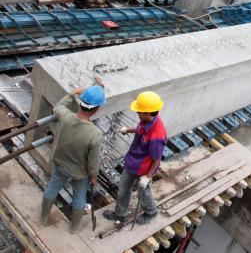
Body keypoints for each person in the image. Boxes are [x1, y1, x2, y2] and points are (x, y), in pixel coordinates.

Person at [40, 85, 106, 233]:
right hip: (79, 172)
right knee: (79, 197)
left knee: (52, 188)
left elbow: (58, 106)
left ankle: (43, 218)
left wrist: (73, 93)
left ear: (81, 103)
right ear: (96, 109)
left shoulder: (65, 117)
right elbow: (93, 161)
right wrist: (94, 176)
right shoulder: (95, 134)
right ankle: (74, 228)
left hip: (60, 164)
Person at [103, 91, 167, 225]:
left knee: (143, 192)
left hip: (144, 168)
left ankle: (150, 212)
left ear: (148, 112)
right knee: (123, 188)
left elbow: (156, 158)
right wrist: (128, 130)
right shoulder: (145, 120)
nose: (137, 113)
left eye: (139, 111)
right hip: (133, 161)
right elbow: (140, 130)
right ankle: (120, 214)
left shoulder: (157, 134)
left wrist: (148, 176)